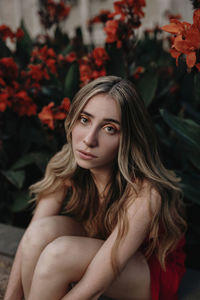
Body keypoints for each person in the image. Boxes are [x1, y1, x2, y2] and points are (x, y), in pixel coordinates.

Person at [4, 76, 187, 300]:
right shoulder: (67, 163)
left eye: (109, 128)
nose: (89, 140)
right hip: (100, 245)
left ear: (128, 138)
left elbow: (93, 287)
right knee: (37, 234)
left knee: (57, 255)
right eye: (84, 119)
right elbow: (29, 241)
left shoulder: (145, 193)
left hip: (149, 269)